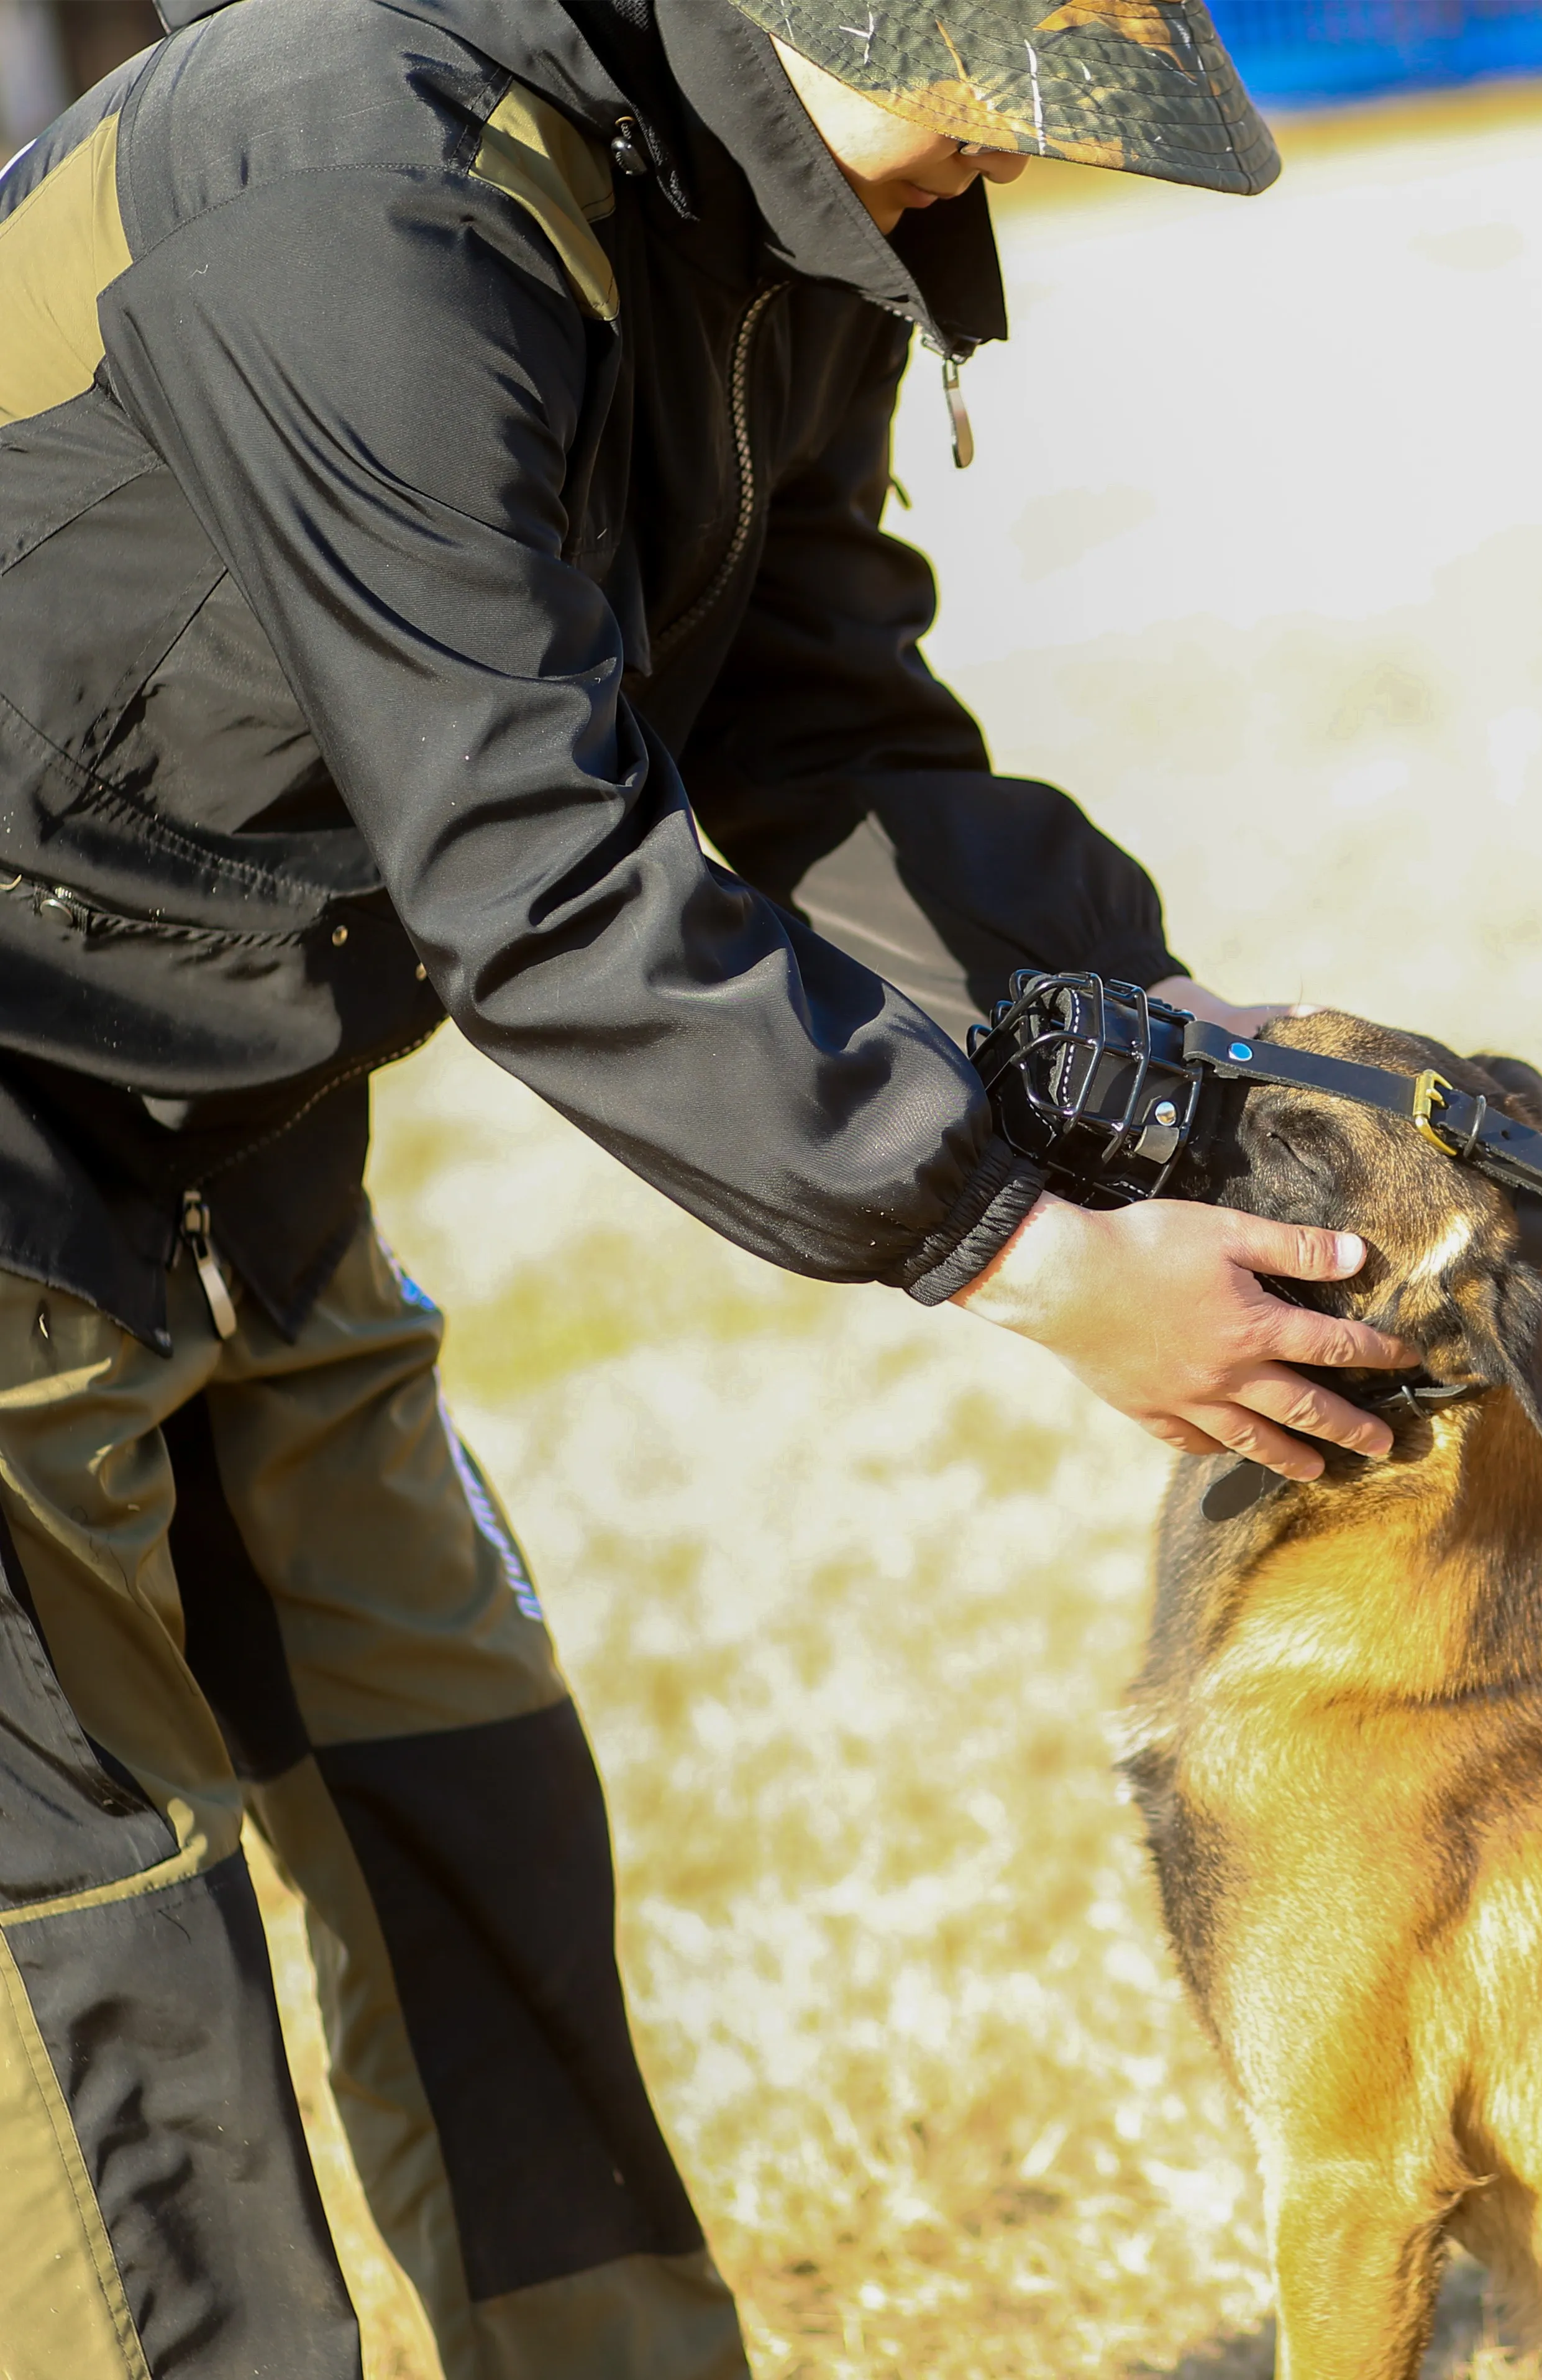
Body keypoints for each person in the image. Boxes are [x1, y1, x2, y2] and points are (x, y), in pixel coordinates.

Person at [0, 0, 1417, 2367]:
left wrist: (1155, 1039)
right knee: (104, 1953)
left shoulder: (772, 219)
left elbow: (805, 725)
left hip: (221, 1091)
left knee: (459, 1774)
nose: (998, 186)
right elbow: (538, 874)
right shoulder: (359, 184)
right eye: (980, 129)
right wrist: (1014, 1247)